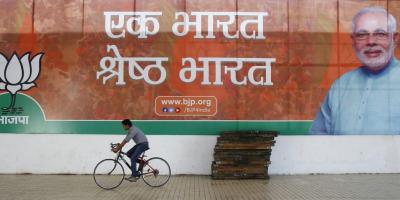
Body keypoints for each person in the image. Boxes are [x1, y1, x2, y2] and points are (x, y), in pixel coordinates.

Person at [311, 6, 399, 134]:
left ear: (395, 38)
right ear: (353, 41)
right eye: (362, 35)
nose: (371, 41)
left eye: (380, 34)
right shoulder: (340, 85)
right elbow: (317, 138)